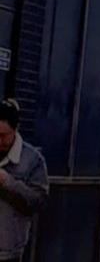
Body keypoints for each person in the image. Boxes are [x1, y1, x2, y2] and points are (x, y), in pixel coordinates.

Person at [0, 99, 48, 262]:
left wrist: (8, 182)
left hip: (8, 254)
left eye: (3, 136)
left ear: (16, 129)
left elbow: (40, 201)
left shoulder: (33, 160)